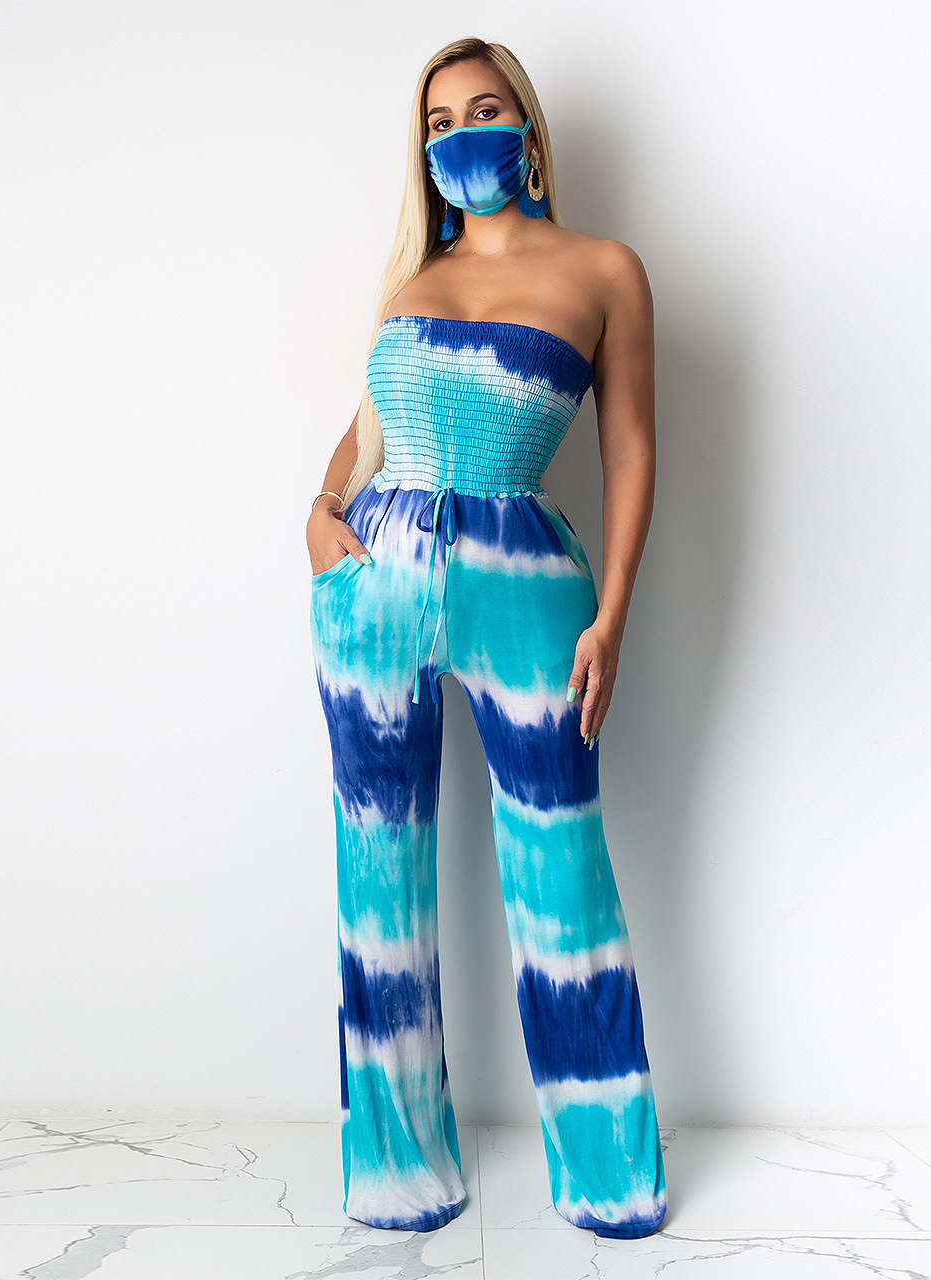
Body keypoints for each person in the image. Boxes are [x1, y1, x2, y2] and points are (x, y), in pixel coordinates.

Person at [306, 36, 666, 1240]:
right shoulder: (411, 279)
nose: (462, 133)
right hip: (376, 585)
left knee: (559, 868)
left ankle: (607, 1173)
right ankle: (397, 1168)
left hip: (530, 586)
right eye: (439, 120)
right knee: (376, 878)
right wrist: (318, 514)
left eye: (483, 108)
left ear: (527, 126)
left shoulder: (603, 270)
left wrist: (612, 612)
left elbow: (629, 446)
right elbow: (368, 432)